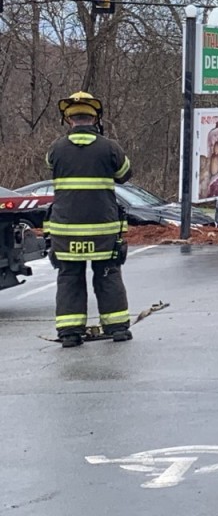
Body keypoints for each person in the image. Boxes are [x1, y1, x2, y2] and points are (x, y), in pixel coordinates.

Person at [45, 91, 133, 348]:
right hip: (103, 229)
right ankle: (117, 328)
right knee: (108, 274)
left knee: (69, 276)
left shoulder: (55, 149)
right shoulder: (110, 148)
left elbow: (51, 165)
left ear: (69, 120)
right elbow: (125, 174)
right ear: (95, 119)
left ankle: (70, 333)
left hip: (65, 230)